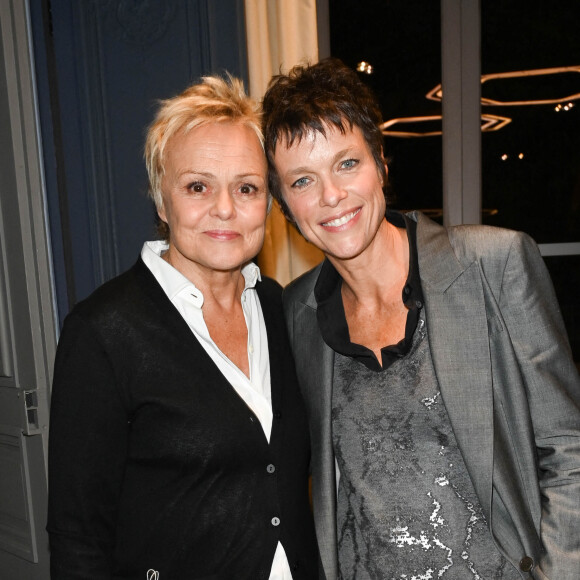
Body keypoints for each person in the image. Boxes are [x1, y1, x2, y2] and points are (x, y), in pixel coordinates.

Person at [261, 58, 580, 580]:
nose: (331, 197)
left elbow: (569, 451)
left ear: (381, 163)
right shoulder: (295, 314)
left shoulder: (492, 266)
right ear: (284, 205)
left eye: (347, 164)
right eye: (302, 181)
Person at [47, 75, 318, 579]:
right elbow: (78, 535)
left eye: (247, 188)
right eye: (198, 186)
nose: (225, 209)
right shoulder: (104, 332)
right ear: (161, 200)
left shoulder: (286, 310)